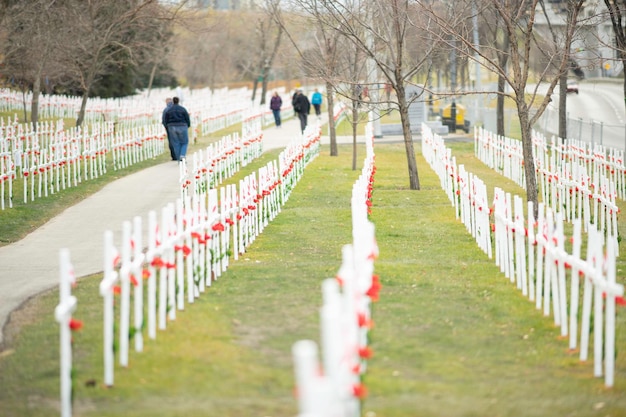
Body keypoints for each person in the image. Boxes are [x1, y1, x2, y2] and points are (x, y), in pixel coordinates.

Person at [163, 96, 191, 161]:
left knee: (175, 143)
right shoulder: (182, 109)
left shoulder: (169, 110)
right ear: (178, 101)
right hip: (182, 126)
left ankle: (178, 158)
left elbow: (165, 119)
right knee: (184, 142)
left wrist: (167, 126)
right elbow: (187, 118)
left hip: (171, 127)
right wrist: (188, 125)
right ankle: (182, 155)